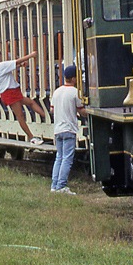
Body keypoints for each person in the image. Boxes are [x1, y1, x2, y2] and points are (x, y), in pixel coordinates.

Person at [0, 47, 47, 144]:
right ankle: (31, 137)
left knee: (30, 102)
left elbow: (12, 66)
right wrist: (31, 55)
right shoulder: (1, 65)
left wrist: (20, 66)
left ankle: (46, 116)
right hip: (10, 92)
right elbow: (17, 61)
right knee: (20, 116)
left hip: (11, 92)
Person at [50, 64, 86, 194]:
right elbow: (82, 112)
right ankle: (61, 186)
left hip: (58, 129)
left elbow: (52, 110)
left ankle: (54, 186)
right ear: (73, 78)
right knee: (67, 159)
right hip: (69, 129)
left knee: (59, 157)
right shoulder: (75, 92)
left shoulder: (57, 92)